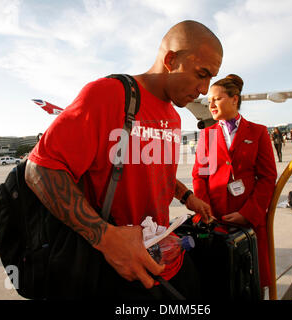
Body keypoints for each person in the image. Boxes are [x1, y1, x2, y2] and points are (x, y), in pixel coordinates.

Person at [25, 20, 222, 299]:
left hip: (163, 256)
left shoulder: (174, 117)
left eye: (211, 78)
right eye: (202, 74)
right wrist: (106, 238)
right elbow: (40, 169)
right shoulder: (108, 95)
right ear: (170, 59)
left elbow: (152, 169)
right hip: (116, 269)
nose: (204, 89)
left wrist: (186, 195)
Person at [192, 74, 277, 291]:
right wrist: (205, 209)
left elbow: (267, 177)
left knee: (250, 282)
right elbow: (199, 177)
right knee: (220, 283)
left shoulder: (258, 132)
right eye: (209, 100)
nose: (210, 104)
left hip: (248, 219)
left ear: (234, 99)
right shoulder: (207, 135)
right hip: (215, 219)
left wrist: (248, 213)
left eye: (216, 99)